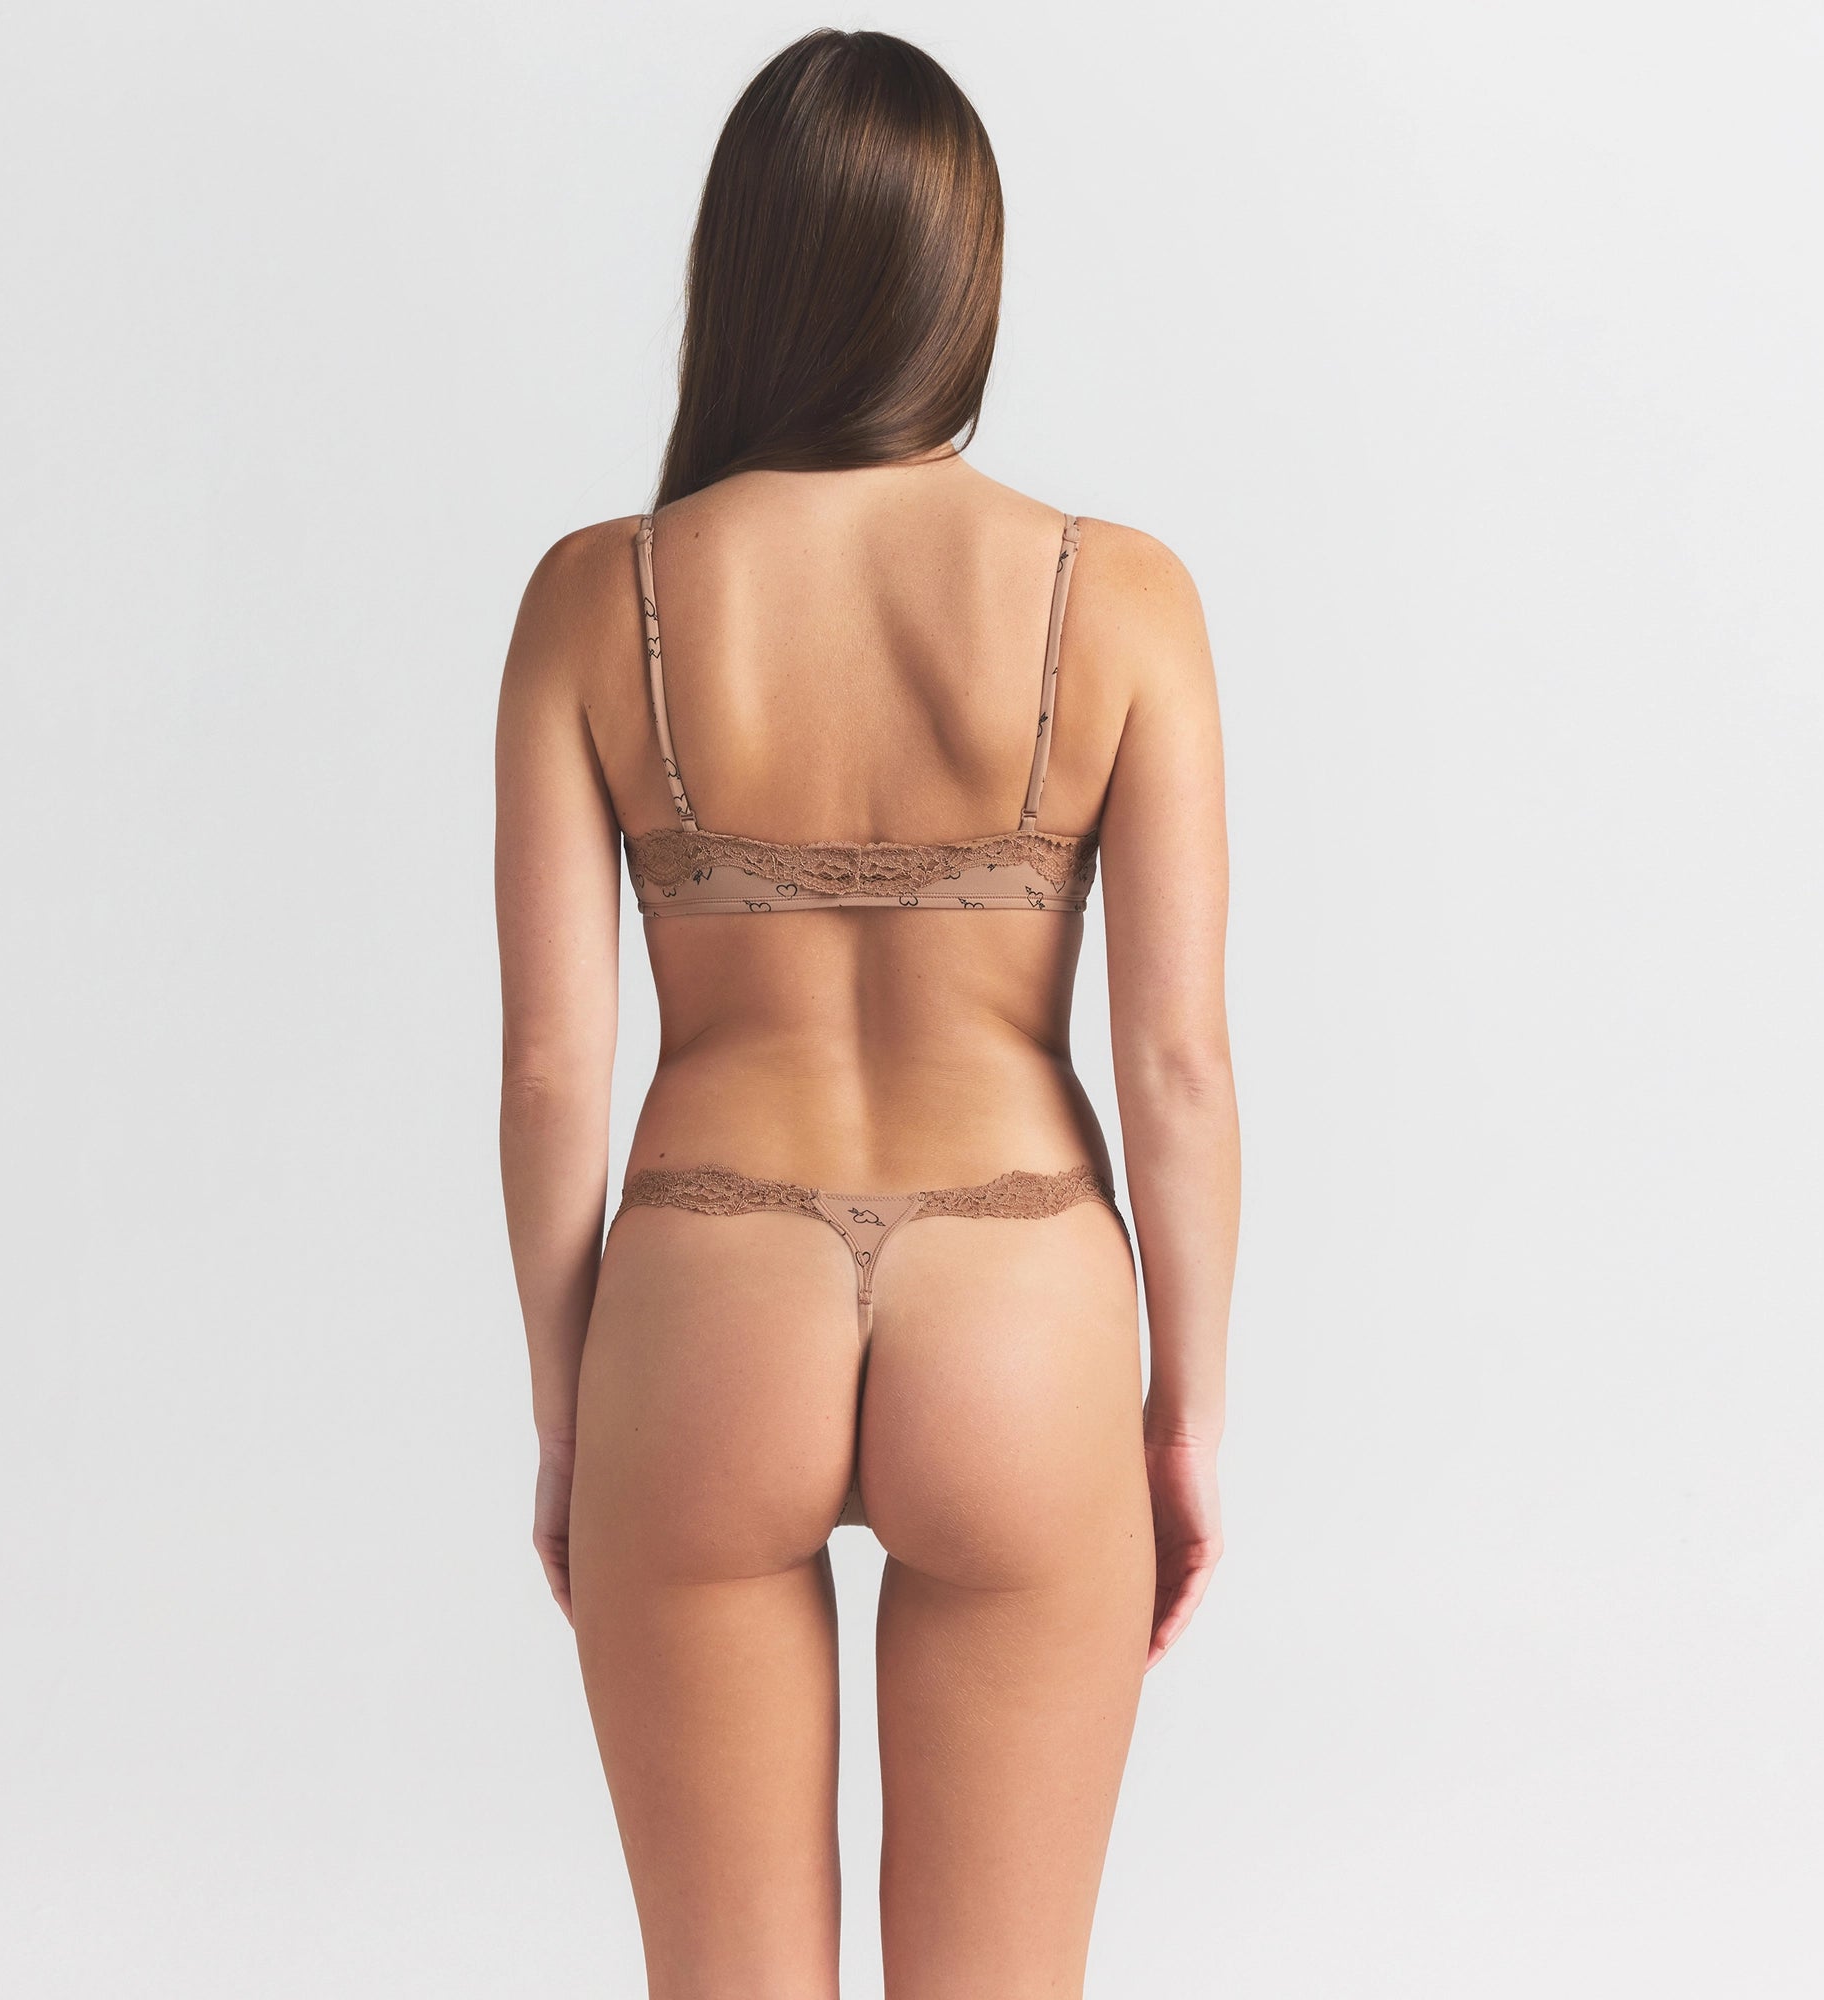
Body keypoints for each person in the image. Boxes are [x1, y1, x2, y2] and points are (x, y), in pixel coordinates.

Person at [495, 27, 1239, 1997]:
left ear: (739, 269)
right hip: (1021, 1294)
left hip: (704, 1296)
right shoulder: (1122, 596)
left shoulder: (594, 598)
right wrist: (1183, 1416)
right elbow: (1175, 1067)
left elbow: (553, 1070)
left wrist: (575, 1414)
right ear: (960, 279)